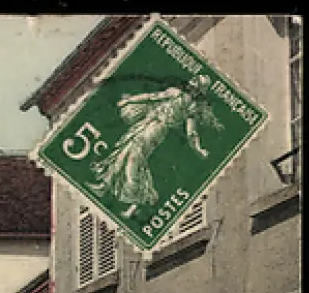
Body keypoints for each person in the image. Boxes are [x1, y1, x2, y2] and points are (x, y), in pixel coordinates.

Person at [87, 73, 223, 219]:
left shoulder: (192, 108)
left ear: (198, 89)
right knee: (123, 151)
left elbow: (191, 133)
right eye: (194, 79)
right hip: (147, 123)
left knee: (134, 160)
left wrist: (198, 149)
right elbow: (151, 97)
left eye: (196, 82)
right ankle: (105, 186)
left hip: (156, 130)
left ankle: (136, 202)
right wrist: (129, 100)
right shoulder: (175, 93)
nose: (192, 82)